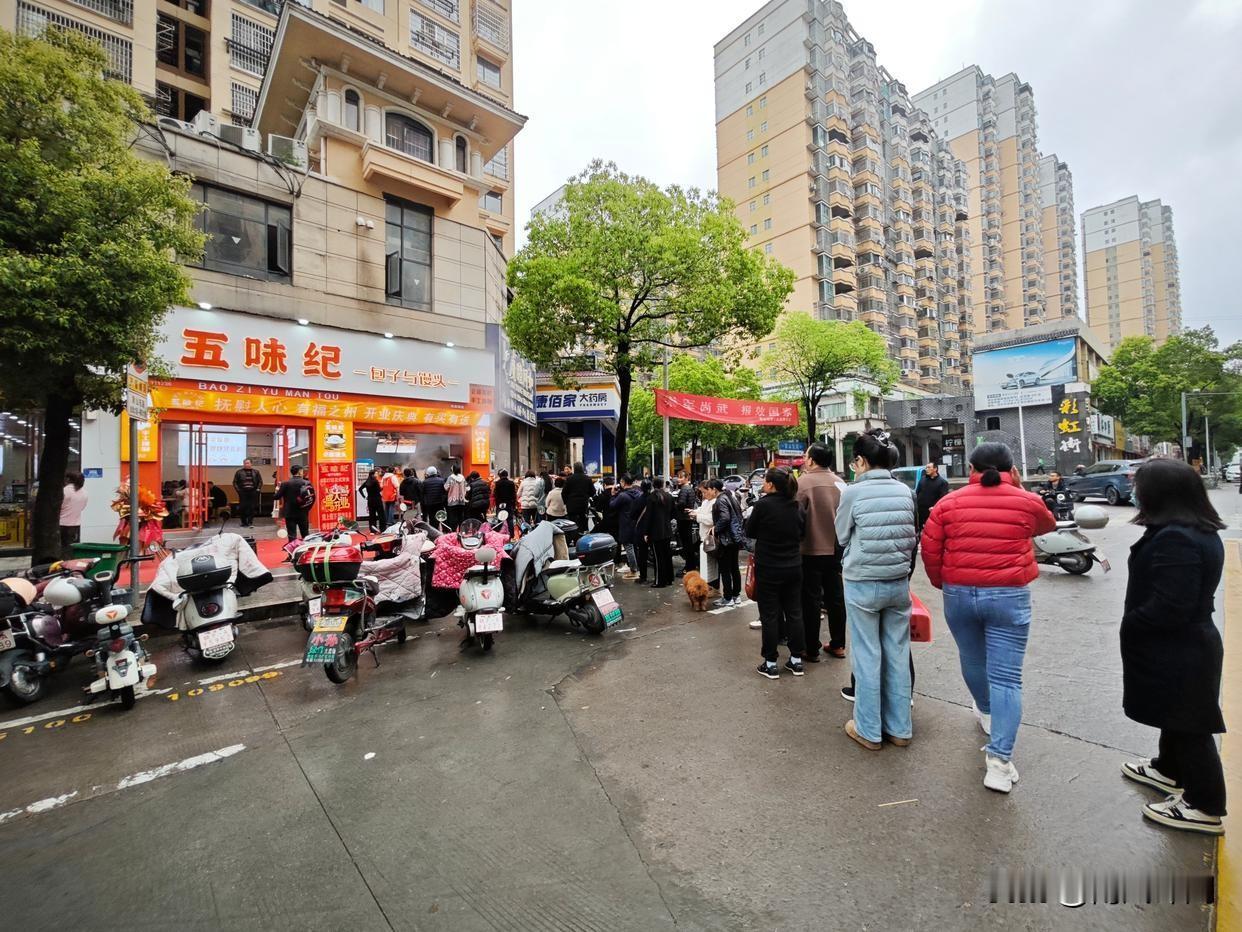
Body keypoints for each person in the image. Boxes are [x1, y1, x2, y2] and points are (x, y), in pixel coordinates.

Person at [920, 442, 1056, 791]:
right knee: (1007, 679)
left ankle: (986, 712)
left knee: (972, 659)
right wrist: (1018, 488)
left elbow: (930, 548)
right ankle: (998, 762)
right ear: (1012, 469)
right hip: (1009, 595)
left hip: (959, 593)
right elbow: (1046, 525)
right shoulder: (1026, 501)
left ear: (971, 469)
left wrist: (942, 583)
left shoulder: (948, 503)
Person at [1119, 458, 1227, 834]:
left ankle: (1204, 804)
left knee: (1191, 724)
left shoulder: (1177, 538)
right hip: (1183, 645)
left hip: (1179, 648)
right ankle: (1168, 769)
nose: (1135, 492)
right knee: (1175, 713)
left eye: (1139, 486)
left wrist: (1134, 622)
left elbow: (1172, 605)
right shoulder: (1194, 529)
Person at [835, 429, 918, 752]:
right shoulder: (905, 491)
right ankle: (900, 728)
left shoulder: (853, 492)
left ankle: (869, 729)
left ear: (860, 461)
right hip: (898, 581)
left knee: (867, 653)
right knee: (897, 651)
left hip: (863, 582)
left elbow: (842, 535)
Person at [747, 467, 806, 679]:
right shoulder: (796, 505)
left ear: (771, 485)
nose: (763, 483)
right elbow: (802, 533)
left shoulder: (763, 505)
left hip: (769, 566)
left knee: (770, 614)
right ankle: (796, 660)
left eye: (765, 480)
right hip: (793, 566)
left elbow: (750, 531)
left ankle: (770, 662)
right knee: (795, 612)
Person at [797, 443, 846, 662]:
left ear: (811, 460)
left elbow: (796, 517)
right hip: (836, 549)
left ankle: (811, 648)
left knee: (811, 600)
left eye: (806, 455)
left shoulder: (802, 483)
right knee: (836, 598)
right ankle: (838, 644)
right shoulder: (840, 483)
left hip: (809, 550)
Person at [712, 477, 745, 608]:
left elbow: (725, 518)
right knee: (734, 568)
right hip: (735, 538)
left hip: (726, 540)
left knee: (725, 569)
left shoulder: (721, 500)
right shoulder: (731, 497)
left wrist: (715, 529)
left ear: (714, 489)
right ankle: (736, 595)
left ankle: (727, 598)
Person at [640, 477, 675, 588]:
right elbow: (673, 513)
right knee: (667, 555)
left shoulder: (652, 497)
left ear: (653, 485)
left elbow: (648, 517)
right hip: (667, 530)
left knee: (658, 557)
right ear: (663, 485)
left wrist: (646, 532)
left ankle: (660, 581)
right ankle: (669, 578)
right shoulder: (669, 496)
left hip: (655, 532)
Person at [611, 475, 644, 579]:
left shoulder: (622, 496)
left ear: (623, 482)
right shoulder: (638, 493)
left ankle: (633, 570)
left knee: (628, 546)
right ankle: (636, 567)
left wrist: (613, 495)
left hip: (626, 523)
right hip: (636, 523)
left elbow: (612, 505)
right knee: (634, 546)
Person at [694, 481, 720, 591]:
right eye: (702, 493)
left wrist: (697, 517)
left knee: (712, 565)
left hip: (711, 538)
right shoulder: (706, 502)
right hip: (704, 537)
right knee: (706, 564)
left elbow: (711, 520)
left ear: (712, 490)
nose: (703, 495)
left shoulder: (715, 503)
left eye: (705, 492)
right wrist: (694, 512)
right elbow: (701, 511)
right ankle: (708, 586)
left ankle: (713, 587)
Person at [276, 465, 313, 540]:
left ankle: (293, 547)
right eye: (302, 471)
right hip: (302, 512)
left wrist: (278, 490)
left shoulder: (285, 484)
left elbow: (276, 497)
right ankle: (306, 546)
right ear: (299, 472)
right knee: (305, 534)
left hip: (289, 513)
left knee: (292, 534)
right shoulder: (306, 483)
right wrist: (307, 508)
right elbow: (312, 498)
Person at [674, 473, 699, 574]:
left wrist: (674, 504)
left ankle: (689, 567)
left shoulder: (684, 489)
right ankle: (690, 566)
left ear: (686, 478)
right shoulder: (690, 488)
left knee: (686, 544)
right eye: (678, 477)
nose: (678, 479)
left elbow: (681, 503)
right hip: (688, 518)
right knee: (688, 544)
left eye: (681, 477)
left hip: (684, 518)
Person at [59, 471, 88, 558]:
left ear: (68, 479)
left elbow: (58, 507)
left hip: (61, 523)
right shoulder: (84, 493)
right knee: (70, 548)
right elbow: (82, 507)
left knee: (60, 548)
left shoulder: (64, 491)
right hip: (75, 524)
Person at [915, 461, 951, 530]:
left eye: (929, 467)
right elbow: (917, 492)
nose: (926, 469)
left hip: (933, 513)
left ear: (935, 469)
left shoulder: (942, 482)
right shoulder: (922, 479)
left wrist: (935, 507)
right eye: (926, 468)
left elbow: (943, 499)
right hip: (921, 512)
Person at [562, 462, 596, 534]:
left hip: (571, 504)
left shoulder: (569, 479)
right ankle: (582, 533)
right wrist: (587, 495)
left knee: (572, 522)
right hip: (583, 504)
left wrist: (566, 502)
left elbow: (564, 492)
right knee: (583, 520)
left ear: (574, 469)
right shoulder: (587, 478)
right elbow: (593, 492)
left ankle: (572, 536)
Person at [232, 458, 262, 528]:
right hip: (243, 492)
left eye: (248, 463)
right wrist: (238, 490)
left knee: (252, 507)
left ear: (251, 464)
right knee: (242, 507)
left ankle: (250, 522)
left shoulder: (256, 472)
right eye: (245, 463)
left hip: (253, 491)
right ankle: (244, 522)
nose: (246, 464)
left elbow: (260, 481)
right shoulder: (239, 472)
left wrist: (258, 489)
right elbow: (234, 482)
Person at [359, 468, 384, 533]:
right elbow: (379, 490)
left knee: (372, 516)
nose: (377, 474)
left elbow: (360, 489)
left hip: (370, 500)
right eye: (376, 473)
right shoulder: (375, 481)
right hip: (377, 500)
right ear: (373, 474)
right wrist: (382, 487)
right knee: (381, 515)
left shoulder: (367, 481)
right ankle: (382, 529)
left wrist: (364, 497)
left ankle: (372, 530)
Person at [445, 465, 468, 529]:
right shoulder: (462, 477)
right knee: (461, 517)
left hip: (452, 501)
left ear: (453, 470)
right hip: (461, 500)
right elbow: (467, 487)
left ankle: (454, 531)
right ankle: (461, 530)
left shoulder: (450, 477)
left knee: (453, 517)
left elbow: (446, 487)